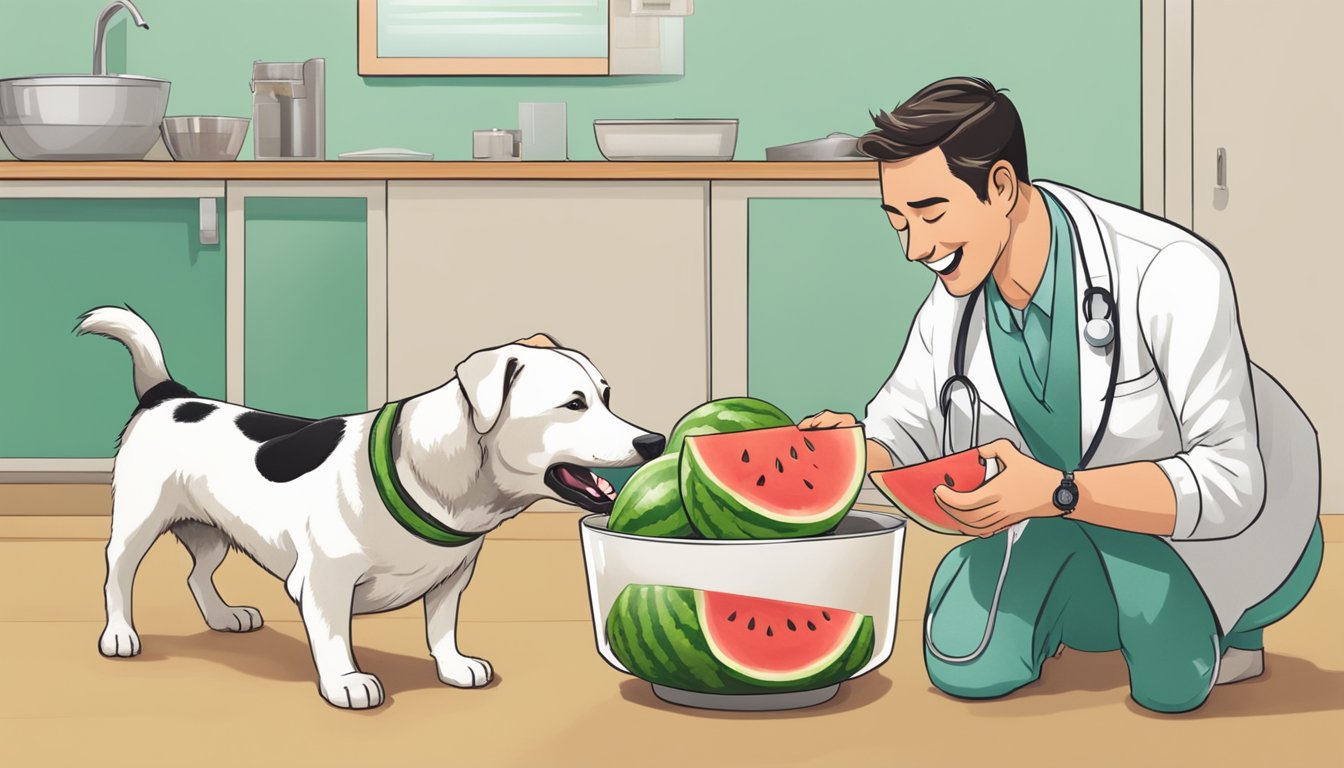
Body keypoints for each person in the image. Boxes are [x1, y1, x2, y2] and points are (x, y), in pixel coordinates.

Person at [801, 77, 1322, 713]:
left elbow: (1233, 481)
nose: (915, 248)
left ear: (999, 186)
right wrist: (851, 454)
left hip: (1215, 527)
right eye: (898, 221)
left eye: (931, 214)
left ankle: (1233, 618)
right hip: (1060, 522)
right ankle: (1082, 595)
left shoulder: (1171, 271)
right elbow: (905, 420)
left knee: (1171, 686)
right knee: (965, 662)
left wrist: (1058, 491)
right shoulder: (959, 293)